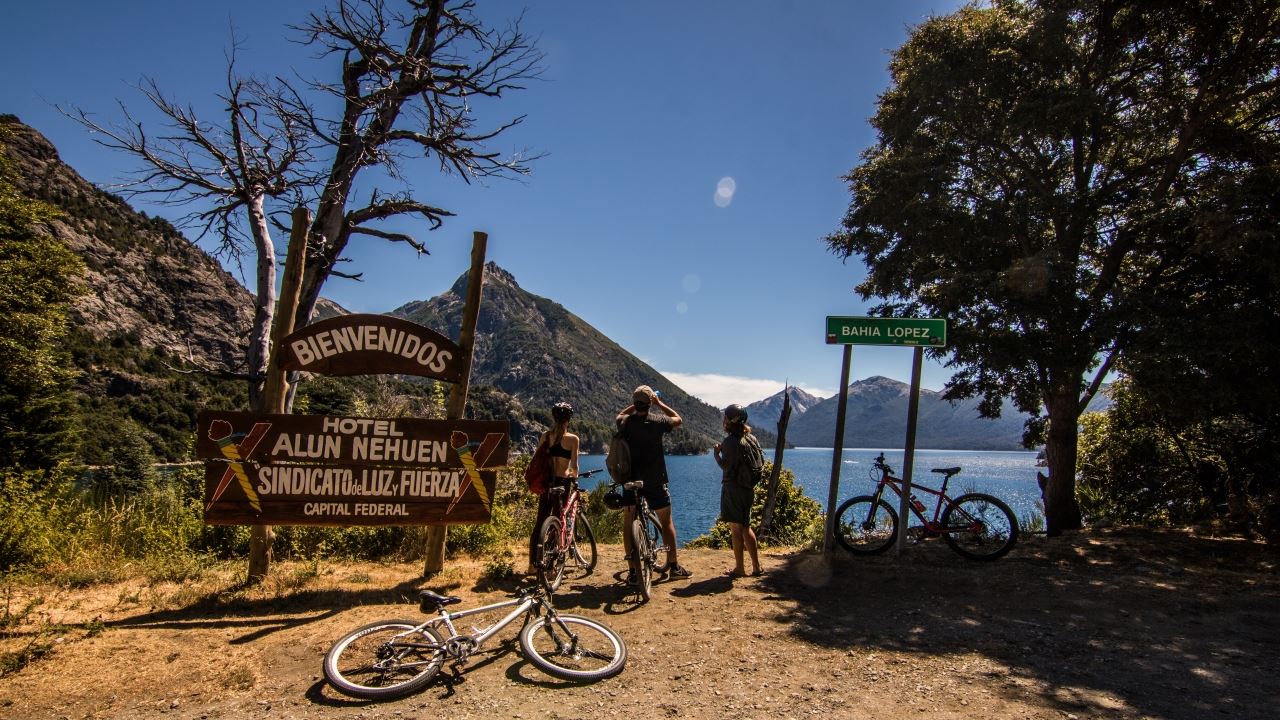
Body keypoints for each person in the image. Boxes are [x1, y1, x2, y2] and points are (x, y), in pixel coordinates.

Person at [616, 384, 692, 581]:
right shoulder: (657, 421)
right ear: (650, 403)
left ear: (634, 403)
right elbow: (678, 419)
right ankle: (674, 567)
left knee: (628, 522)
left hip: (631, 480)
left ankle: (633, 571)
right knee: (666, 522)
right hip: (655, 480)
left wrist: (635, 406)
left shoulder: (625, 422)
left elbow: (619, 415)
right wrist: (659, 403)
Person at [528, 401, 579, 575]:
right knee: (558, 521)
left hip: (546, 482)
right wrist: (574, 477)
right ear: (568, 420)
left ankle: (532, 565)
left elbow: (537, 459)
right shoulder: (573, 439)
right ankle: (550, 567)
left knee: (541, 521)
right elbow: (574, 467)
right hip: (562, 483)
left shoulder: (545, 436)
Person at [713, 404, 762, 578]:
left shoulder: (730, 442)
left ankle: (740, 568)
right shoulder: (751, 438)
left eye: (725, 417)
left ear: (730, 421)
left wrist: (716, 454)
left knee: (735, 529)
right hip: (748, 489)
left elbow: (725, 467)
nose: (723, 420)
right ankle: (756, 567)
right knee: (746, 526)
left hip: (733, 489)